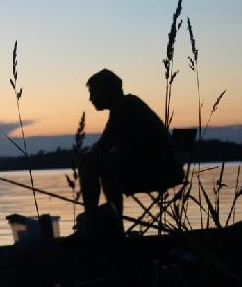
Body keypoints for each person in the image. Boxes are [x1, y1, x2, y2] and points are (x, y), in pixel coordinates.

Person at [77, 69, 184, 235]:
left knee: (87, 165)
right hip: (164, 169)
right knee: (106, 173)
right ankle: (117, 227)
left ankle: (91, 226)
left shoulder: (123, 106)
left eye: (94, 92)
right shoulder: (129, 104)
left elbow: (103, 145)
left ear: (107, 90)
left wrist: (83, 157)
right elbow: (110, 147)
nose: (91, 98)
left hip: (155, 172)